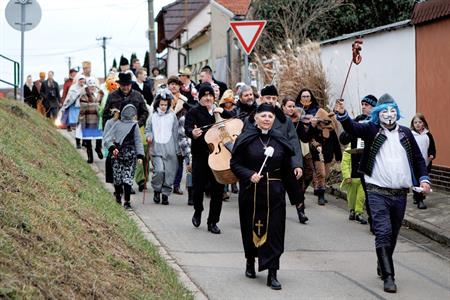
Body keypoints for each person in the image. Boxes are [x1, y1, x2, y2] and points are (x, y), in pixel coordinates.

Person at [334, 93, 431, 293]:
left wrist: (424, 179)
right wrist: (342, 114)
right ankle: (389, 276)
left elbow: (418, 160)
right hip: (376, 190)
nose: (389, 114)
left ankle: (382, 260)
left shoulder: (406, 133)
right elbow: (352, 128)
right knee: (383, 231)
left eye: (392, 110)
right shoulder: (371, 129)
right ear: (378, 114)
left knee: (393, 233)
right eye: (384, 111)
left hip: (401, 194)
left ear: (397, 112)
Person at [231, 103, 294, 290]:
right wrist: (249, 174)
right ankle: (250, 261)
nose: (267, 119)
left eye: (270, 117)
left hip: (275, 192)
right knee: (250, 227)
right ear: (256, 118)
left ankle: (272, 272)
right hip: (252, 191)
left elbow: (287, 166)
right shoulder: (245, 138)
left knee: (275, 230)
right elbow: (234, 163)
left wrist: (295, 194)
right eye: (263, 116)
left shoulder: (279, 139)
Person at [248, 85, 305, 223]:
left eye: (274, 98)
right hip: (258, 164)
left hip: (281, 164)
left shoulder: (285, 120)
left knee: (289, 189)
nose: (271, 101)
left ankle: (299, 209)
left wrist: (297, 164)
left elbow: (294, 143)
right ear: (261, 99)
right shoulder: (252, 118)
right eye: (268, 98)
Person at [184, 83, 233, 234]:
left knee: (218, 189)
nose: (208, 98)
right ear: (200, 97)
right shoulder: (193, 112)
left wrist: (223, 111)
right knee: (198, 188)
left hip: (219, 156)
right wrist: (193, 132)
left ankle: (213, 221)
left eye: (210, 95)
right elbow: (187, 128)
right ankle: (198, 210)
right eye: (205, 95)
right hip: (200, 155)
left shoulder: (218, 111)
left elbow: (233, 121)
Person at [339, 95, 378, 226]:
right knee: (362, 191)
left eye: (366, 105)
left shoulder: (377, 122)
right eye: (362, 104)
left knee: (371, 194)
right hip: (358, 162)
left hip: (373, 163)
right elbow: (343, 139)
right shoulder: (358, 120)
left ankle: (371, 218)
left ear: (374, 107)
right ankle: (357, 212)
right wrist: (352, 131)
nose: (363, 107)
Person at [103, 104, 145, 210]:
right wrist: (112, 148)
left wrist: (140, 155)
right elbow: (107, 138)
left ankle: (127, 201)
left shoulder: (135, 125)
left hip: (130, 155)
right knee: (117, 178)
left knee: (128, 178)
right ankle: (118, 195)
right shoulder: (116, 124)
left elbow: (138, 140)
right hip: (117, 155)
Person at [145, 89, 180, 205]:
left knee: (169, 172)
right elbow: (148, 129)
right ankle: (157, 189)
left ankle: (165, 194)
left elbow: (176, 132)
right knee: (159, 170)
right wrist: (149, 136)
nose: (164, 107)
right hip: (156, 147)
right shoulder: (153, 116)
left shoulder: (172, 116)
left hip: (170, 148)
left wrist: (177, 148)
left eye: (165, 104)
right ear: (157, 104)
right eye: (161, 104)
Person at [281, 97, 310, 223]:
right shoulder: (277, 120)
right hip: (279, 158)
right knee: (280, 189)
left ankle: (301, 212)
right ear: (283, 107)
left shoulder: (297, 120)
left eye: (293, 106)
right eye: (289, 106)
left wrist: (305, 125)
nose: (291, 109)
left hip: (293, 156)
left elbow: (304, 138)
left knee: (297, 187)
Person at [167, 75, 188, 195]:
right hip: (167, 133)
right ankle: (167, 183)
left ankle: (176, 185)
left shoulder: (184, 100)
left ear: (179, 86)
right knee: (169, 160)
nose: (173, 86)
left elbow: (187, 115)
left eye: (176, 84)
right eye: (171, 84)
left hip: (180, 132)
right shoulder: (163, 98)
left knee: (179, 160)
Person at [410, 113, 436, 209]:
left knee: (424, 181)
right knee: (416, 182)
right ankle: (419, 199)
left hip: (426, 162)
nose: (417, 124)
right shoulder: (411, 135)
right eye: (415, 122)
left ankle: (418, 197)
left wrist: (432, 154)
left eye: (420, 122)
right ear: (413, 124)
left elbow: (432, 147)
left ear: (424, 123)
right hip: (414, 163)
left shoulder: (428, 135)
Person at [76, 79, 103, 164]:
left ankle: (98, 149)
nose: (92, 88)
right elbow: (84, 106)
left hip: (97, 120)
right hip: (87, 119)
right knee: (88, 140)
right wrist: (96, 105)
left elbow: (102, 105)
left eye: (93, 86)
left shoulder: (99, 94)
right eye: (91, 86)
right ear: (87, 86)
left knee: (99, 138)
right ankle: (90, 157)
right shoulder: (83, 95)